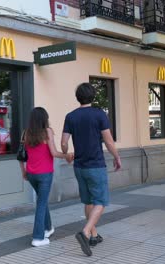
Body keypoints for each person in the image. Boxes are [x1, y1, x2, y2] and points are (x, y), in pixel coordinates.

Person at [61, 83, 121, 257]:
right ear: (93, 96)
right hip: (95, 165)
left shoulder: (70, 116)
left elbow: (64, 143)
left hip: (79, 167)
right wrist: (117, 157)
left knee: (88, 201)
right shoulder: (99, 114)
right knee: (101, 201)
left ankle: (94, 235)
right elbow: (109, 141)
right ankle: (86, 232)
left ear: (77, 97)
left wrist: (66, 154)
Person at [19, 107, 73, 247]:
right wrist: (67, 155)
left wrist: (23, 171)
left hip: (31, 174)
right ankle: (38, 237)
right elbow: (54, 153)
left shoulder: (26, 133)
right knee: (41, 203)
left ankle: (48, 228)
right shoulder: (47, 131)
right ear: (44, 118)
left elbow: (20, 156)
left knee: (42, 201)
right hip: (44, 174)